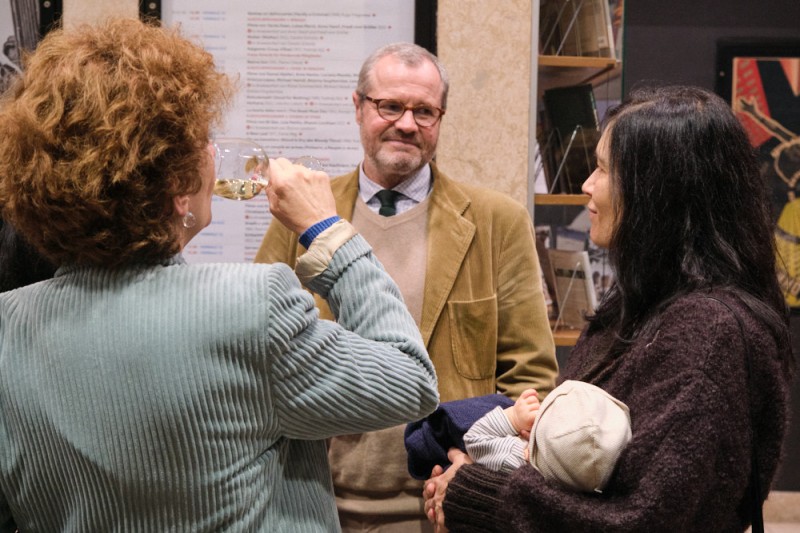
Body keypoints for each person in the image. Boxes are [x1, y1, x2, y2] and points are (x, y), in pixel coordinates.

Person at [0, 18, 439, 531]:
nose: (213, 154)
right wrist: (327, 230)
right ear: (177, 187)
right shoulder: (250, 308)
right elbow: (410, 380)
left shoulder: (8, 325)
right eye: (202, 141)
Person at [423, 85, 795, 532]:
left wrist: (474, 491)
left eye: (602, 168)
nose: (587, 184)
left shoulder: (709, 333)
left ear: (656, 191)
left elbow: (643, 519)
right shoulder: (647, 303)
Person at [255, 42, 558, 530]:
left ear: (440, 117)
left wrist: (478, 466)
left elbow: (531, 379)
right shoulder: (302, 214)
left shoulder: (497, 223)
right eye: (390, 106)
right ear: (358, 107)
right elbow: (255, 353)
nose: (407, 123)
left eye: (424, 111)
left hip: (439, 510)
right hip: (312, 506)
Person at [463, 381, 631, 492]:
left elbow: (474, 439)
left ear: (530, 452)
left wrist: (514, 418)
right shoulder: (589, 486)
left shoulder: (516, 459)